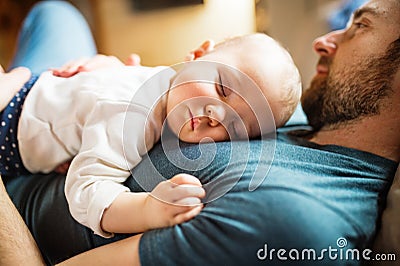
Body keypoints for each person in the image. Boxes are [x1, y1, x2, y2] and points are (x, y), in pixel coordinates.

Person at [1, 0, 399, 265]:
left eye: (360, 26)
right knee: (57, 12)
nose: (323, 40)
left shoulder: (297, 222)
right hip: (60, 107)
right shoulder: (303, 111)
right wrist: (119, 81)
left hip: (14, 169)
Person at [0, 2, 302, 238]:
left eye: (234, 126)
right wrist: (115, 69)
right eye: (223, 88)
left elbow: (88, 189)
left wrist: (149, 208)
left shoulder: (136, 122)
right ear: (197, 54)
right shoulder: (153, 98)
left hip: (11, 126)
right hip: (22, 100)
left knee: (54, 13)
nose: (216, 114)